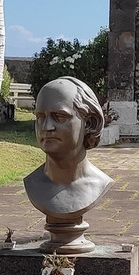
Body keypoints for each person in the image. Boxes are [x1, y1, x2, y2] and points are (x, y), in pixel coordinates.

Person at [23, 76, 113, 224]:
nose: (46, 127)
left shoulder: (99, 183)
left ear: (89, 123)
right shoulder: (32, 183)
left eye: (59, 117)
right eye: (40, 118)